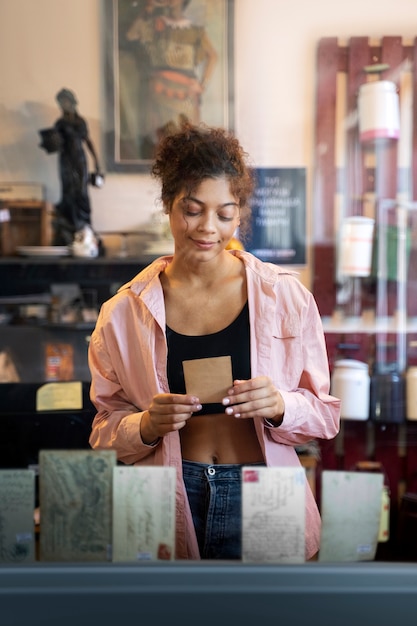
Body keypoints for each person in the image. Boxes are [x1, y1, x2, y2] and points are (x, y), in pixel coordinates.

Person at [88, 122, 340, 560]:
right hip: (169, 493)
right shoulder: (123, 313)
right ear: (167, 205)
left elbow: (324, 417)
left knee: (270, 613)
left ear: (239, 213)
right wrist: (145, 426)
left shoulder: (285, 296)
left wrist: (282, 405)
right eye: (192, 209)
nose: (208, 228)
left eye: (225, 214)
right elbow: (103, 429)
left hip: (264, 490)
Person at [124, 0, 218, 157]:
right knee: (160, 143)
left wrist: (202, 85)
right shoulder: (156, 24)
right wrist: (148, 9)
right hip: (158, 91)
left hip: (186, 95)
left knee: (187, 145)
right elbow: (131, 35)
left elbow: (213, 56)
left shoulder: (195, 30)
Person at [46, 88, 103, 246]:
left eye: (66, 101)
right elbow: (54, 142)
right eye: (61, 102)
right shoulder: (60, 123)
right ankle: (70, 224)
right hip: (65, 160)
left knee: (81, 192)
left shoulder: (80, 121)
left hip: (79, 160)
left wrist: (96, 162)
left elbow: (88, 141)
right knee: (68, 192)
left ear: (72, 102)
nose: (63, 104)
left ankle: (84, 225)